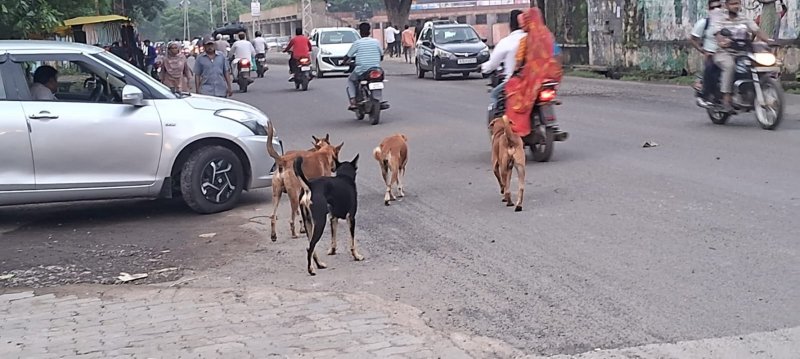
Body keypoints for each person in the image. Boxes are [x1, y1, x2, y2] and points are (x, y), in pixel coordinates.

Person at [503, 7, 562, 137]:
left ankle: (516, 129)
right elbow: (557, 54)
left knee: (512, 89)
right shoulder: (548, 36)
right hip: (552, 76)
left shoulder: (526, 40)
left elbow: (518, 62)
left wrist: (515, 72)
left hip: (535, 78)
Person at [711, 0, 772, 113]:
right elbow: (718, 33)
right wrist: (722, 42)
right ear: (727, 5)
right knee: (730, 66)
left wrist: (768, 40)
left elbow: (756, 30)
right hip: (724, 52)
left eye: (738, 3)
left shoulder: (743, 18)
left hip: (743, 52)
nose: (736, 6)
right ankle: (726, 99)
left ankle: (753, 92)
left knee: (758, 63)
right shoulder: (720, 19)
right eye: (733, 4)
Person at [481, 9, 526, 108]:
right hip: (536, 79)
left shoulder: (506, 42)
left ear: (510, 25)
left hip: (515, 80)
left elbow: (492, 64)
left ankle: (496, 122)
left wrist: (482, 68)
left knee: (494, 94)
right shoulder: (533, 38)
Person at [689, 0, 724, 105]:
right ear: (709, 10)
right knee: (710, 71)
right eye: (713, 8)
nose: (716, 10)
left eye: (718, 6)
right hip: (711, 54)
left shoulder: (728, 22)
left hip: (728, 53)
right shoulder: (704, 23)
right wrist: (702, 50)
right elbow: (692, 38)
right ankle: (705, 95)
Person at [343, 22, 384, 109]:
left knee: (351, 80)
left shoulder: (357, 43)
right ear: (369, 31)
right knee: (378, 80)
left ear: (360, 32)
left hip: (361, 69)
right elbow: (381, 56)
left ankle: (353, 101)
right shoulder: (376, 42)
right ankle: (378, 100)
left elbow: (348, 56)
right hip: (376, 69)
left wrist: (344, 62)